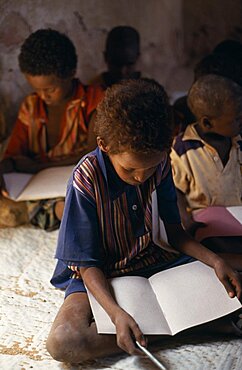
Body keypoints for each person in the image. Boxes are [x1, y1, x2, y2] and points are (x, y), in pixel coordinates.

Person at [46, 79, 242, 364]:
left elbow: (175, 233)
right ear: (104, 145)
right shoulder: (85, 178)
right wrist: (116, 314)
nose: (141, 177)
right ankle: (203, 323)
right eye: (131, 169)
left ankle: (169, 325)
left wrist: (214, 261)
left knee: (233, 277)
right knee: (63, 341)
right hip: (100, 273)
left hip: (152, 260)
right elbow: (87, 266)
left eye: (150, 168)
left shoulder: (159, 162)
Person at [0, 28, 104, 230]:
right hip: (37, 189)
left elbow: (95, 155)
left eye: (49, 89)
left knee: (89, 194)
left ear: (71, 73)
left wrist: (37, 167)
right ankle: (57, 210)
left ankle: (61, 210)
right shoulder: (31, 107)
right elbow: (13, 156)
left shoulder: (94, 101)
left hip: (78, 183)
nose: (42, 96)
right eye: (36, 89)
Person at [170, 74, 242, 252]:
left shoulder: (239, 143)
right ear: (207, 123)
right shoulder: (182, 150)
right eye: (236, 119)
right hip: (207, 224)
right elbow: (175, 192)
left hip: (239, 216)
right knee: (214, 244)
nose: (241, 121)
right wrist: (188, 223)